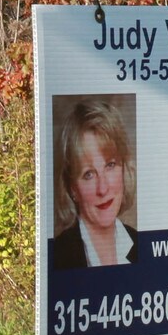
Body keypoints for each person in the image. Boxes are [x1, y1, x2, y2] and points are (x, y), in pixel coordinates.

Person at [49, 97, 138, 269]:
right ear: (72, 188)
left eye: (110, 165)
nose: (103, 188)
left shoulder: (142, 244)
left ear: (123, 167)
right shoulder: (58, 257)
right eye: (88, 174)